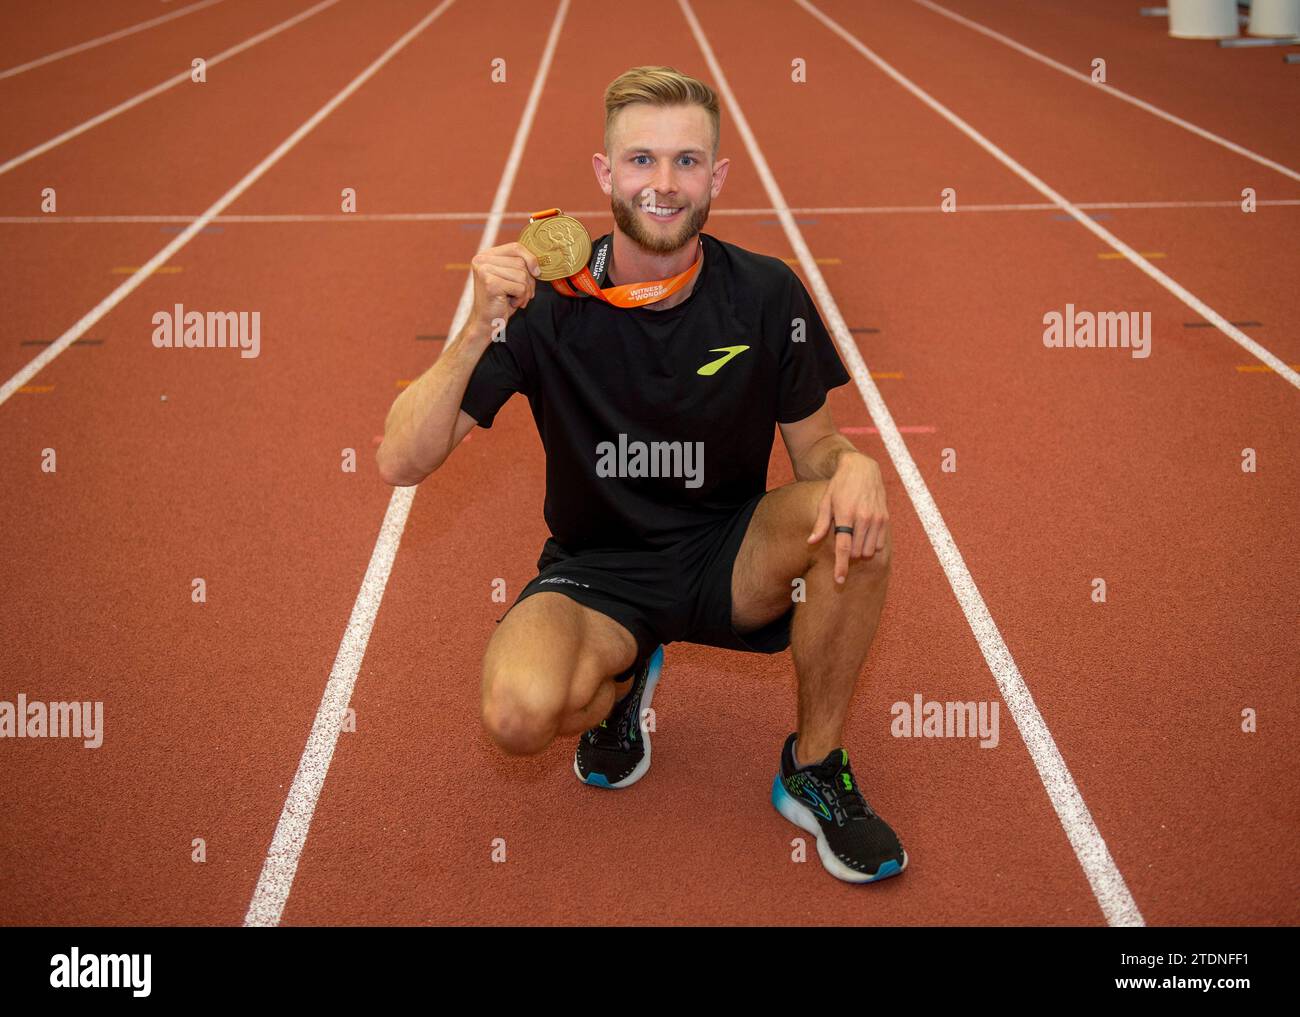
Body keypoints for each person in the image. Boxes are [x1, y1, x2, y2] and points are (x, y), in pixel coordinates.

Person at [377, 66, 906, 884]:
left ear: (717, 177)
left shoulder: (767, 293)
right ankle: (621, 678)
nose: (664, 184)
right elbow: (400, 458)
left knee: (854, 524)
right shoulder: (546, 304)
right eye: (642, 161)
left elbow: (818, 453)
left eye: (687, 162)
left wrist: (857, 465)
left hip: (730, 552)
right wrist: (477, 325)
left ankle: (814, 764)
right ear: (604, 174)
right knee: (515, 715)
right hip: (599, 570)